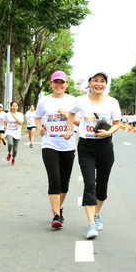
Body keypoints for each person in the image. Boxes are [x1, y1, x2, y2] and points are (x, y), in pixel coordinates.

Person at [66, 71, 121, 239]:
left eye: (102, 81)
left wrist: (108, 132)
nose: (99, 83)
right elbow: (70, 113)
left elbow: (117, 123)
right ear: (89, 83)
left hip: (105, 146)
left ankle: (97, 213)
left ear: (106, 84)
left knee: (102, 185)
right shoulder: (81, 101)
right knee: (90, 183)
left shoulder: (112, 102)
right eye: (95, 80)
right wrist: (69, 129)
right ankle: (91, 223)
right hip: (86, 146)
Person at [35, 70, 79, 229]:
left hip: (68, 146)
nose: (59, 85)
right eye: (56, 82)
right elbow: (38, 117)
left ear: (66, 84)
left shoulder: (73, 101)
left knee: (64, 183)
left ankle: (58, 207)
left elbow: (79, 121)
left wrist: (67, 115)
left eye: (62, 82)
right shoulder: (44, 101)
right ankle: (56, 215)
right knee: (54, 179)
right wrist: (39, 128)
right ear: (51, 84)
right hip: (49, 145)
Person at [5, 100, 24, 165]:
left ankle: (13, 158)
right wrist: (4, 126)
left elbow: (20, 123)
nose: (14, 107)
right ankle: (9, 153)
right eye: (13, 106)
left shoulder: (20, 115)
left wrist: (14, 117)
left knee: (15, 149)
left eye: (16, 106)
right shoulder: (7, 114)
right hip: (9, 132)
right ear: (11, 106)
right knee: (10, 143)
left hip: (17, 133)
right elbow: (5, 121)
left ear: (18, 107)